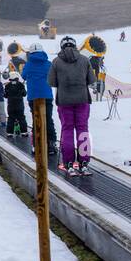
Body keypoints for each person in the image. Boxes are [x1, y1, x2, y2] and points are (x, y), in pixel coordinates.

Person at [48, 35, 96, 176]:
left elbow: (51, 82)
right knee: (83, 130)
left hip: (64, 101)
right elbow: (91, 80)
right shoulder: (84, 60)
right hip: (82, 100)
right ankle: (84, 163)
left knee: (67, 130)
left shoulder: (56, 62)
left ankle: (68, 162)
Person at [22, 46, 56, 158]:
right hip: (47, 95)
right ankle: (51, 144)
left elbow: (24, 76)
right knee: (48, 119)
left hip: (33, 96)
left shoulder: (28, 64)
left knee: (36, 119)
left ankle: (37, 145)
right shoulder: (48, 64)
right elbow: (53, 77)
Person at [4, 70, 28, 137]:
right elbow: (24, 94)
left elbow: (5, 95)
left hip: (11, 105)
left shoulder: (7, 85)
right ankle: (24, 132)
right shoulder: (20, 85)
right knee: (21, 118)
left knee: (11, 118)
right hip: (19, 105)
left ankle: (9, 133)